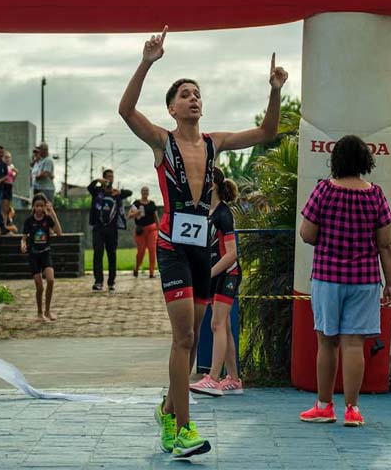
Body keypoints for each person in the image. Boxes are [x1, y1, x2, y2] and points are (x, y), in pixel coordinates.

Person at [118, 25, 287, 458]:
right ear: (172, 108)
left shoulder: (216, 144)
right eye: (185, 95)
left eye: (198, 94)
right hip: (173, 247)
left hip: (202, 249)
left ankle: (167, 408)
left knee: (190, 341)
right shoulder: (162, 141)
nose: (194, 99)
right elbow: (125, 109)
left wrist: (274, 91)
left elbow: (267, 133)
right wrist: (147, 62)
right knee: (183, 338)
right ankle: (181, 427)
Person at [297, 135, 391, 428]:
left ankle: (324, 405)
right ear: (365, 161)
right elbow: (386, 244)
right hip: (365, 280)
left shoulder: (324, 191)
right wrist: (390, 283)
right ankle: (352, 409)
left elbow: (307, 233)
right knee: (354, 344)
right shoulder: (376, 194)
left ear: (336, 160)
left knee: (327, 342)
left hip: (328, 277)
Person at [190, 167, 244, 397]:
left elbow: (231, 254)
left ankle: (213, 378)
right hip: (215, 274)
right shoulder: (207, 212)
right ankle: (233, 379)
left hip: (227, 274)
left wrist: (209, 273)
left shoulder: (223, 214)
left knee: (217, 324)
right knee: (226, 329)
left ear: (212, 184)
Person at [88, 168, 132, 292]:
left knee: (111, 255)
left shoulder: (115, 193)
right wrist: (97, 181)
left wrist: (119, 192)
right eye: (107, 177)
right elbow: (89, 188)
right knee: (98, 254)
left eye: (112, 177)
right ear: (103, 178)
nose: (110, 179)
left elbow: (130, 192)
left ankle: (111, 282)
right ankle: (98, 281)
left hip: (112, 229)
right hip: (98, 228)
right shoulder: (97, 192)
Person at [21, 193, 63, 321]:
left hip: (45, 253)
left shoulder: (47, 219)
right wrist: (23, 245)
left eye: (41, 206)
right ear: (33, 207)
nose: (39, 209)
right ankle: (39, 313)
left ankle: (47, 311)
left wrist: (53, 214)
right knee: (39, 286)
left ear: (45, 206)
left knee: (50, 280)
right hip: (34, 255)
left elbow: (59, 233)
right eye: (37, 206)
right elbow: (23, 238)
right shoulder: (29, 221)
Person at [129, 186, 159, 278]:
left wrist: (159, 228)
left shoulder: (152, 203)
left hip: (152, 229)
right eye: (143, 191)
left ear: (148, 192)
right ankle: (137, 268)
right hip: (140, 230)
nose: (145, 192)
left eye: (147, 191)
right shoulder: (136, 203)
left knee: (152, 250)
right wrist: (136, 212)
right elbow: (129, 215)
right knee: (141, 251)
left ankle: (151, 272)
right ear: (141, 192)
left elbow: (156, 217)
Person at [2, 151, 18, 222]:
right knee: (4, 207)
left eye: (9, 157)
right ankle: (3, 223)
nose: (7, 159)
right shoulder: (2, 167)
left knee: (8, 207)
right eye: (6, 157)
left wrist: (16, 172)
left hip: (9, 186)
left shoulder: (11, 166)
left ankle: (6, 222)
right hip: (4, 186)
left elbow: (13, 179)